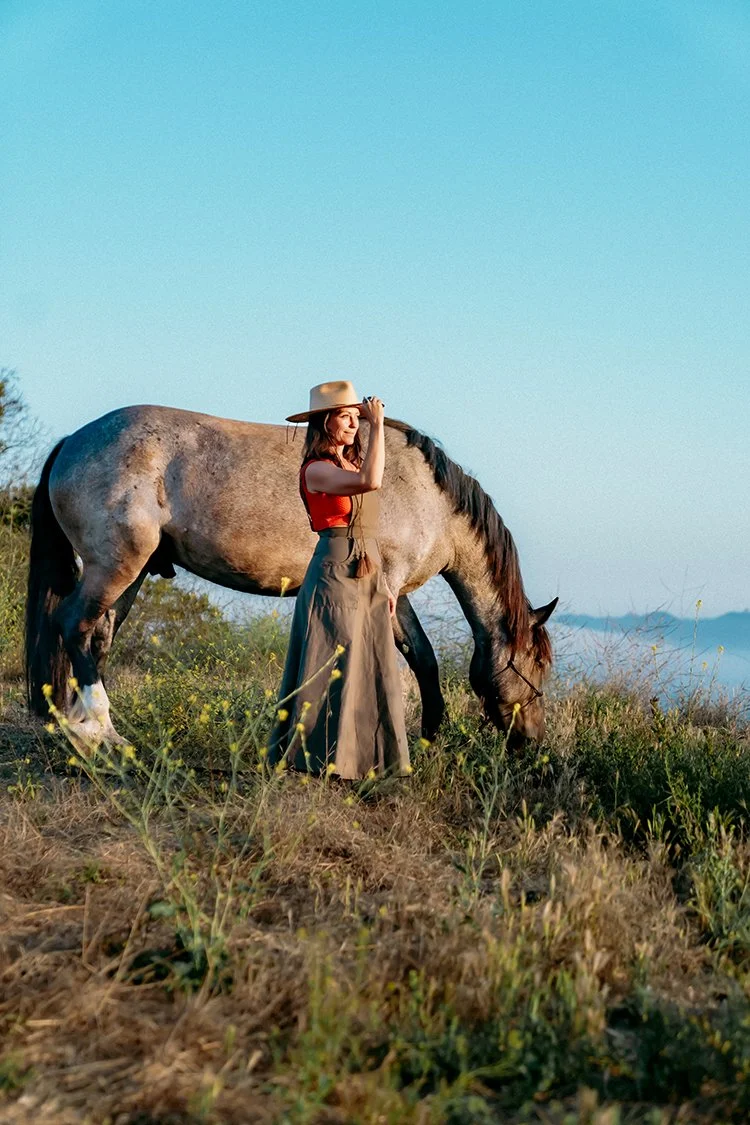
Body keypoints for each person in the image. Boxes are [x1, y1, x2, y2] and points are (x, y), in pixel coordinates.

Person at [268, 380, 410, 780]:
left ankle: (360, 763)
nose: (354, 425)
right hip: (334, 572)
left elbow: (368, 523)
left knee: (369, 663)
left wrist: (383, 582)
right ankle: (313, 762)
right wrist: (378, 426)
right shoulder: (316, 470)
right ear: (325, 422)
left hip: (366, 569)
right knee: (333, 664)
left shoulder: (348, 464)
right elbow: (372, 481)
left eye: (356, 418)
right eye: (345, 418)